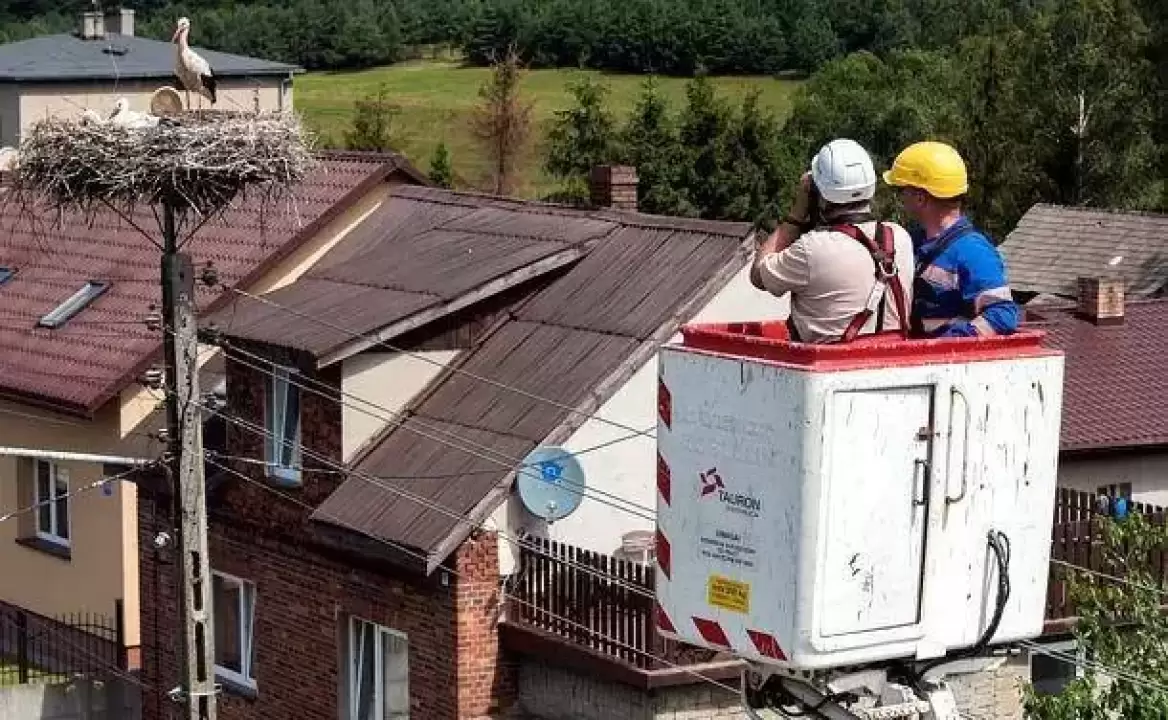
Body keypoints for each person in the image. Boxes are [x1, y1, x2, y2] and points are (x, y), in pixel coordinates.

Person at [751, 138, 914, 344]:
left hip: (831, 361)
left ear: (820, 194)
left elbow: (759, 275)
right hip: (894, 360)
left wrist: (796, 215)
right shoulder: (899, 237)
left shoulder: (813, 248)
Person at [883, 141, 1020, 338]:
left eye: (901, 191)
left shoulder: (974, 252)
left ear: (920, 198)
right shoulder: (912, 241)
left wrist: (948, 342)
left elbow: (1002, 315)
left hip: (943, 356)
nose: (900, 198)